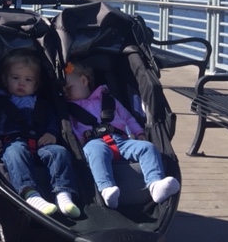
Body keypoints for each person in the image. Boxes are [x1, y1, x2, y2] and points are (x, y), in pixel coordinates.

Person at [63, 61, 180, 209]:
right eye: (63, 91)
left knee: (147, 147)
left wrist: (139, 132)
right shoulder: (70, 109)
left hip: (121, 140)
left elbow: (128, 118)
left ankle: (155, 184)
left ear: (84, 81)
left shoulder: (108, 100)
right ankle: (106, 188)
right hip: (93, 141)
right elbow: (72, 128)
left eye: (69, 88)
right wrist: (79, 142)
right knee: (95, 151)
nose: (66, 93)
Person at [0, 49, 81, 218]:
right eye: (15, 78)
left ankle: (63, 194)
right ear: (5, 79)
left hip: (40, 142)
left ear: (36, 85)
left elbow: (53, 120)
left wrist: (51, 133)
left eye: (28, 79)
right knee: (15, 152)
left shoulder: (42, 103)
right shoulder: (0, 103)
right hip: (12, 142)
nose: (21, 83)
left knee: (59, 152)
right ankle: (30, 194)